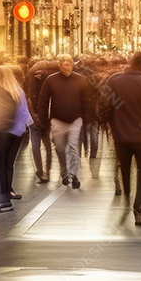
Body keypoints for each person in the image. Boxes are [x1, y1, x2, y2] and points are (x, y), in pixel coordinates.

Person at [97, 52, 141, 225]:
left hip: (121, 135)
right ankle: (140, 209)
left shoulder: (114, 80)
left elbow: (104, 106)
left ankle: (126, 195)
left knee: (124, 168)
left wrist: (105, 121)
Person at [36, 54, 91, 188]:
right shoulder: (50, 80)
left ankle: (74, 175)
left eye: (70, 63)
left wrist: (86, 119)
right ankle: (64, 173)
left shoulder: (80, 80)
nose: (67, 65)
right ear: (59, 65)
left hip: (75, 120)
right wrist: (43, 121)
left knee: (74, 149)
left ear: (73, 64)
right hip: (57, 120)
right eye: (64, 63)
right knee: (60, 148)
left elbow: (87, 101)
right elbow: (43, 101)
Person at [0, 65, 32, 212]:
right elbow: (25, 113)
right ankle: (8, 190)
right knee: (9, 163)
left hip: (3, 132)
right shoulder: (18, 90)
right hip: (19, 131)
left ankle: (3, 198)